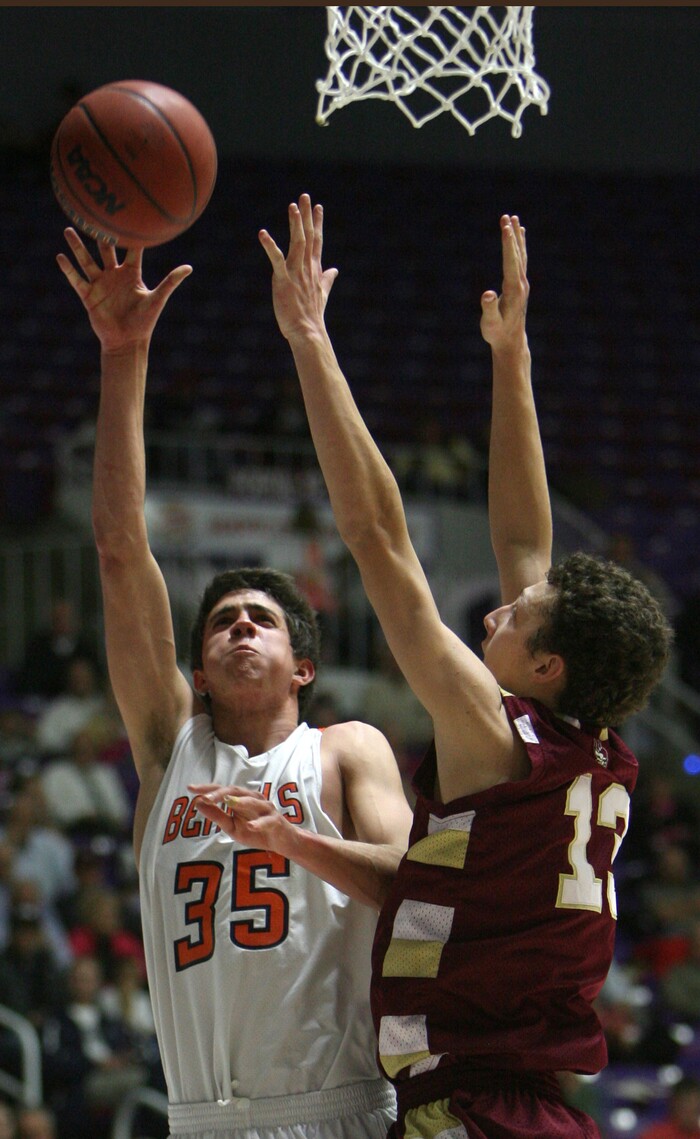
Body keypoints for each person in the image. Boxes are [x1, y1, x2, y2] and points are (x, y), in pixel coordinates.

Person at [195, 199, 673, 1139]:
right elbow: (525, 536)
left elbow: (377, 537)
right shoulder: (585, 742)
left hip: (473, 1112)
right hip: (526, 1107)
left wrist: (308, 341)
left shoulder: (492, 732)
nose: (497, 605)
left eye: (516, 615)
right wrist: (510, 360)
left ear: (544, 662)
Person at [56, 226, 413, 1139]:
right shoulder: (170, 744)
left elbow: (421, 884)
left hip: (337, 1110)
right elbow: (120, 547)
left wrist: (292, 837)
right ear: (200, 667)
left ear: (304, 665)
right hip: (198, 1121)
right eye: (222, 620)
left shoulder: (346, 748)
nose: (240, 625)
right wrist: (122, 356)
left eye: (262, 618)